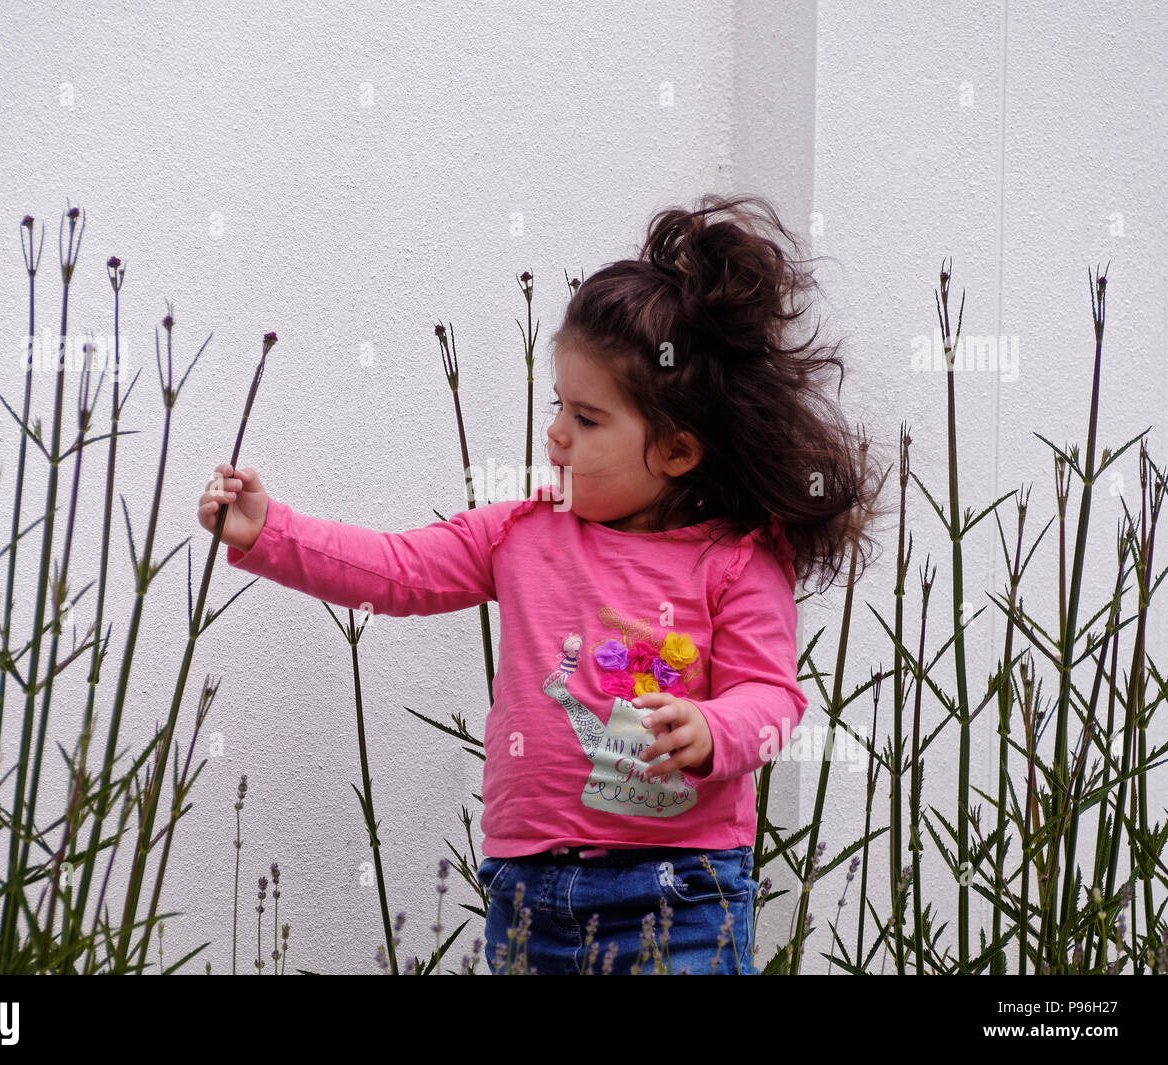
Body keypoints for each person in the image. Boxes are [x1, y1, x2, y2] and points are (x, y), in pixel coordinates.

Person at [197, 193, 883, 975]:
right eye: (560, 403)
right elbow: (397, 568)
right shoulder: (524, 531)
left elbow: (773, 700)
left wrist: (711, 729)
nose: (556, 432)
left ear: (680, 451)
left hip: (681, 895)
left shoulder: (737, 559)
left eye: (588, 420)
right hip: (527, 891)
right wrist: (268, 531)